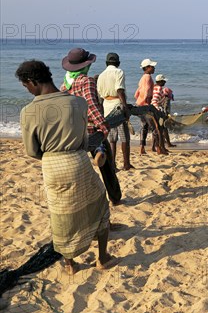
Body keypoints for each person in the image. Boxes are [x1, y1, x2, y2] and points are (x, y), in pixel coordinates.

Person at [16, 60, 117, 275]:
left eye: (26, 86)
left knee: (61, 215)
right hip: (78, 160)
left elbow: (32, 150)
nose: (28, 90)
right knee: (99, 204)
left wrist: (50, 155)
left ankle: (70, 265)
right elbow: (83, 138)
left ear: (32, 82)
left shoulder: (28, 111)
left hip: (52, 165)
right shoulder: (78, 103)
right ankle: (102, 258)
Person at [61, 48, 122, 204]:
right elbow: (91, 105)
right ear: (85, 65)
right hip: (91, 129)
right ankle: (115, 198)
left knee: (81, 168)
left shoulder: (64, 85)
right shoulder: (86, 81)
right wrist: (103, 125)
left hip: (73, 132)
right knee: (107, 167)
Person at [97, 52, 134, 170]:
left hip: (106, 106)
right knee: (124, 137)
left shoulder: (101, 75)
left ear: (106, 63)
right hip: (117, 105)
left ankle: (113, 164)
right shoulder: (119, 72)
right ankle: (126, 164)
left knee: (112, 139)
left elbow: (99, 97)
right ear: (118, 63)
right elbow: (119, 91)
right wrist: (126, 108)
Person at [134, 58, 166, 155]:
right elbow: (146, 90)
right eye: (152, 67)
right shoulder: (148, 77)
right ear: (147, 68)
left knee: (144, 127)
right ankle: (158, 148)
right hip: (145, 106)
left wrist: (140, 101)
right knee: (155, 127)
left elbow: (137, 93)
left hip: (139, 105)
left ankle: (142, 148)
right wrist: (147, 102)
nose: (154, 68)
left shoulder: (142, 77)